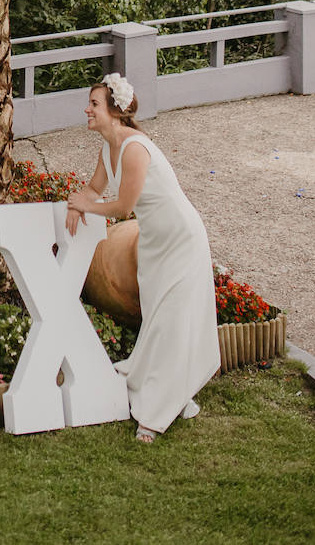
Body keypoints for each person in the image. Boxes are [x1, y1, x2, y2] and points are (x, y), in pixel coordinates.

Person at [65, 72, 220, 443]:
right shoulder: (108, 147)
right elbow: (93, 189)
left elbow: (122, 207)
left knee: (172, 321)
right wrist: (77, 203)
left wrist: (90, 205)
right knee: (158, 321)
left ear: (115, 112)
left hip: (181, 239)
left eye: (94, 104)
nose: (86, 109)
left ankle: (153, 418)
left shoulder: (134, 148)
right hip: (153, 242)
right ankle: (172, 392)